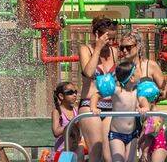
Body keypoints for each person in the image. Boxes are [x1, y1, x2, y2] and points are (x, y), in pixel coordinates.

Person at [76, 17, 118, 162]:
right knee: (96, 151)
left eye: (113, 38)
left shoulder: (114, 51)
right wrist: (98, 48)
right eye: (108, 38)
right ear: (97, 35)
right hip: (89, 104)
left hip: (110, 106)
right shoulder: (85, 49)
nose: (111, 42)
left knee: (109, 153)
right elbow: (88, 73)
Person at [100, 60, 141, 162]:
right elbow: (97, 94)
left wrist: (143, 107)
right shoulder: (117, 91)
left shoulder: (137, 91)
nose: (140, 72)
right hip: (116, 134)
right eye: (137, 71)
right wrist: (93, 107)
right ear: (131, 78)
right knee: (118, 160)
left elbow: (143, 101)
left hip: (132, 134)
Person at [50, 81, 82, 159]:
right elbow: (56, 132)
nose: (74, 95)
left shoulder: (76, 110)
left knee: (81, 150)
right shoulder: (57, 111)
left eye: (75, 92)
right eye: (70, 92)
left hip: (74, 148)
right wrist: (71, 124)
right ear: (61, 96)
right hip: (62, 151)